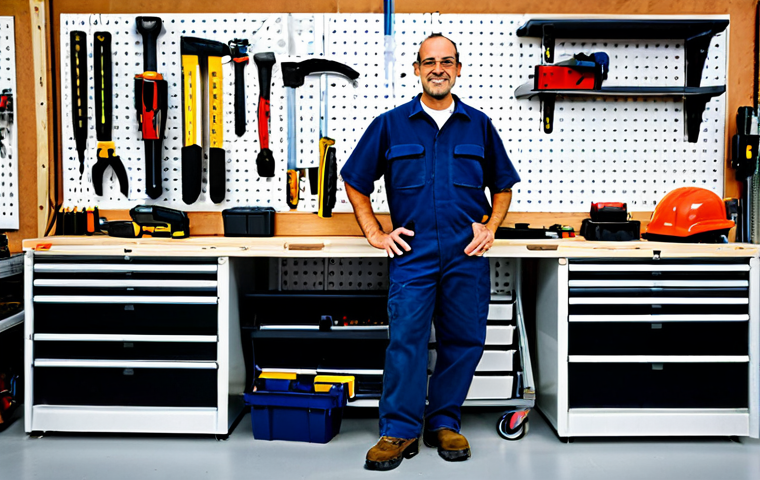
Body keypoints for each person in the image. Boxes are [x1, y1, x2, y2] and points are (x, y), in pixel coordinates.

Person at [340, 33, 520, 471]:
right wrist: (375, 232)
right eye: (429, 62)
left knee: (464, 340)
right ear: (417, 69)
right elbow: (355, 180)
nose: (438, 68)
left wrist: (491, 227)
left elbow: (502, 186)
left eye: (447, 61)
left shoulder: (478, 124)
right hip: (413, 254)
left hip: (467, 253)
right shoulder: (390, 124)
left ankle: (443, 421)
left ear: (458, 70)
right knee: (406, 341)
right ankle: (399, 430)